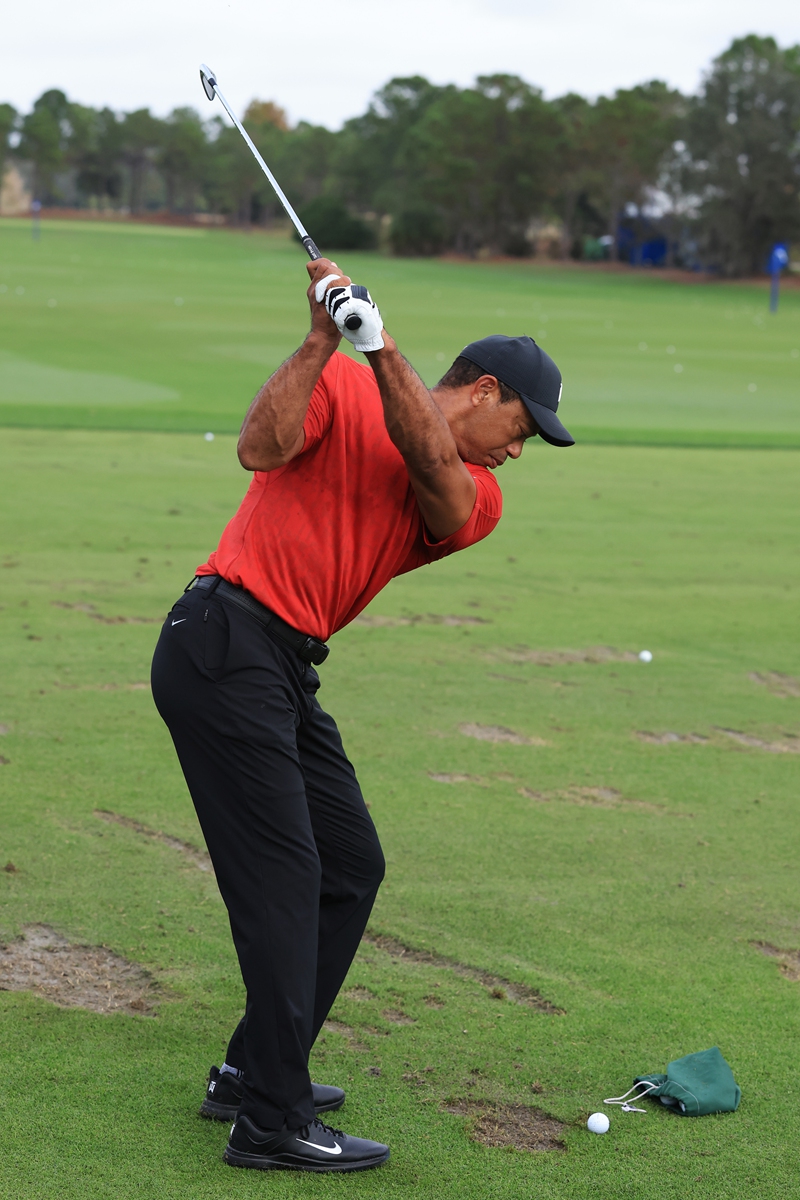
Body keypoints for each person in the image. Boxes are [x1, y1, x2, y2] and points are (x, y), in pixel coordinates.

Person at [150, 256, 573, 1174]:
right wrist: (318, 339)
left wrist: (379, 349)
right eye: (523, 427)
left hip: (282, 666)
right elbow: (258, 450)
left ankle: (254, 1068)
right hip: (223, 640)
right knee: (287, 881)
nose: (517, 449)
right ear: (486, 391)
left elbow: (432, 463)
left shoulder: (473, 493)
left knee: (348, 864)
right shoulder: (337, 381)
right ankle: (270, 1120)